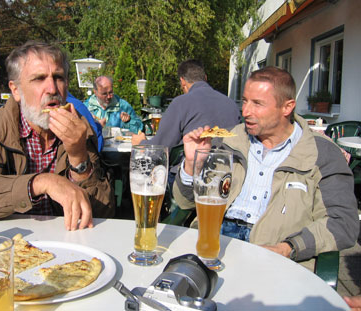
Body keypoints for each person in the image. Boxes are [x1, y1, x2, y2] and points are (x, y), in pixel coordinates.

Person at [173, 66, 359, 270]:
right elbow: (185, 203)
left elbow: (343, 223)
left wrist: (290, 247)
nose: (245, 112)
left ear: (287, 107)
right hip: (214, 243)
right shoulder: (228, 142)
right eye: (244, 101)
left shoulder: (321, 153)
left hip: (274, 253)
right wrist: (192, 164)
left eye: (257, 104)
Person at [0, 41, 115, 231]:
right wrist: (40, 183)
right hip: (9, 245)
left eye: (58, 77)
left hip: (66, 242)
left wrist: (78, 156)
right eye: (39, 78)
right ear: (16, 90)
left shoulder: (78, 129)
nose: (52, 89)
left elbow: (103, 215)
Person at [131, 59, 241, 149]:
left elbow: (160, 147)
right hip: (228, 169)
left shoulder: (180, 103)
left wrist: (141, 143)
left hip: (191, 170)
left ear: (182, 81)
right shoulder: (232, 105)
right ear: (205, 78)